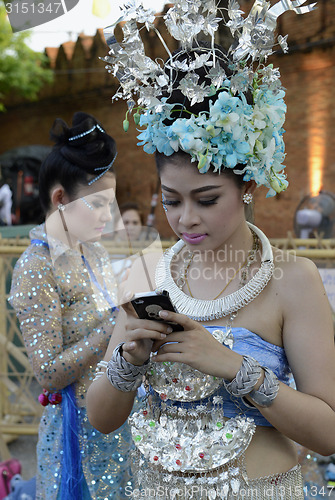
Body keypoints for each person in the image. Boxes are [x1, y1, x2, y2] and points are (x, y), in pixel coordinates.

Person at [87, 2, 335, 498]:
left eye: (206, 199)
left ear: (249, 188)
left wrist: (232, 366)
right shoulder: (145, 270)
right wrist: (129, 359)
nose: (185, 220)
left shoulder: (293, 279)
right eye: (171, 200)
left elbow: (328, 434)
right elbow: (101, 419)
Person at [8, 112, 135, 499]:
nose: (108, 217)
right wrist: (113, 325)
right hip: (74, 435)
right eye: (97, 204)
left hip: (113, 421)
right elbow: (47, 373)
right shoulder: (35, 267)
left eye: (110, 205)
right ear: (60, 198)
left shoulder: (93, 252)